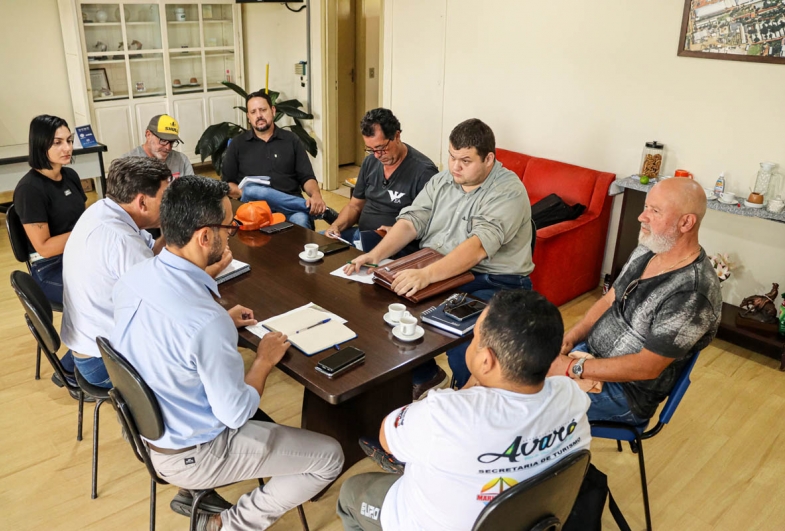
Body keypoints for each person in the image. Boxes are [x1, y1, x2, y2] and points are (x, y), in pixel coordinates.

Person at [111, 176, 344, 530]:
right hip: (194, 452)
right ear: (205, 237)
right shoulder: (204, 322)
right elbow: (236, 413)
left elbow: (171, 333)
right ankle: (232, 523)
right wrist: (264, 361)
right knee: (329, 458)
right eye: (228, 227)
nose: (231, 232)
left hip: (152, 430)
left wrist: (219, 321)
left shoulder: (134, 277)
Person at [336, 290, 591, 531]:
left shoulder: (444, 414)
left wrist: (466, 390)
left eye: (475, 337)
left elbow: (385, 438)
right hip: (525, 519)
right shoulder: (572, 397)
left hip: (420, 521)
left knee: (350, 492)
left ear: (486, 360)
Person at [345, 118, 535, 396]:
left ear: (489, 159)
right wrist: (374, 255)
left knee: (462, 336)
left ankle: (467, 400)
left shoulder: (508, 191)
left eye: (466, 160)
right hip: (440, 267)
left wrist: (425, 276)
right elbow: (412, 221)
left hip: (494, 280)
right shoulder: (444, 178)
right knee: (382, 304)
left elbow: (477, 248)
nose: (455, 166)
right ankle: (426, 375)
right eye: (452, 156)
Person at [547, 177, 722, 424]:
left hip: (626, 393)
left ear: (686, 222)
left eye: (655, 210)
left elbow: (646, 367)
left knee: (526, 404)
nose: (642, 216)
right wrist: (570, 339)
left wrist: (571, 368)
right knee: (510, 371)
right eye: (646, 206)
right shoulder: (650, 248)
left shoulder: (693, 293)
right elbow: (610, 300)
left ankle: (563, 459)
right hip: (588, 357)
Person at [13, 114, 86, 383]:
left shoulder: (71, 175)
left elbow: (81, 219)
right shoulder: (29, 189)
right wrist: (85, 230)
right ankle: (69, 369)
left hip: (77, 257)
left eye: (69, 140)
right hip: (49, 269)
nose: (67, 148)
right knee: (102, 296)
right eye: (57, 142)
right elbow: (43, 248)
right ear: (40, 145)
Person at [325, 108, 437, 254]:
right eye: (371, 149)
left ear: (397, 136)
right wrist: (336, 226)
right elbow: (355, 206)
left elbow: (432, 223)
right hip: (361, 237)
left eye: (381, 148)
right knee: (317, 244)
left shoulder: (423, 172)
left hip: (397, 246)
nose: (377, 155)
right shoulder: (370, 162)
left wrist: (398, 232)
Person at [221, 90, 337, 229]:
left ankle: (312, 209)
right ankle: (322, 212)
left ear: (273, 110)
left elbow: (307, 177)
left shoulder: (291, 140)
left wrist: (316, 196)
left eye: (263, 110)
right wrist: (243, 192)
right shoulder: (238, 144)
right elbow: (227, 183)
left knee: (301, 221)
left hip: (290, 211)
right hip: (254, 211)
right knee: (253, 190)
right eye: (253, 112)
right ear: (248, 116)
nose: (259, 116)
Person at [121, 114, 194, 179]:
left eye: (172, 142)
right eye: (163, 140)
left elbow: (192, 191)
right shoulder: (125, 164)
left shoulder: (181, 160)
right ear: (148, 134)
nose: (168, 147)